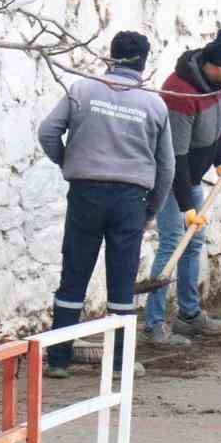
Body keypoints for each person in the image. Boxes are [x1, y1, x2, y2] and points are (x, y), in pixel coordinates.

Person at [37, 30, 173, 380]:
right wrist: (150, 210)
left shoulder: (81, 89)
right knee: (122, 283)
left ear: (110, 57)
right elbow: (166, 166)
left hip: (85, 193)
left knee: (74, 276)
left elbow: (47, 131)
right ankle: (118, 364)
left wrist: (69, 161)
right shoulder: (155, 104)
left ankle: (58, 360)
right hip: (130, 199)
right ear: (143, 64)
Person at [143, 29, 221, 347]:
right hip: (169, 178)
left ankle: (188, 315)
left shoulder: (218, 85)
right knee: (173, 243)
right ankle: (154, 324)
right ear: (216, 64)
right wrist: (187, 204)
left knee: (194, 241)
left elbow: (216, 127)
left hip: (191, 176)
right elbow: (174, 156)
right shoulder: (180, 93)